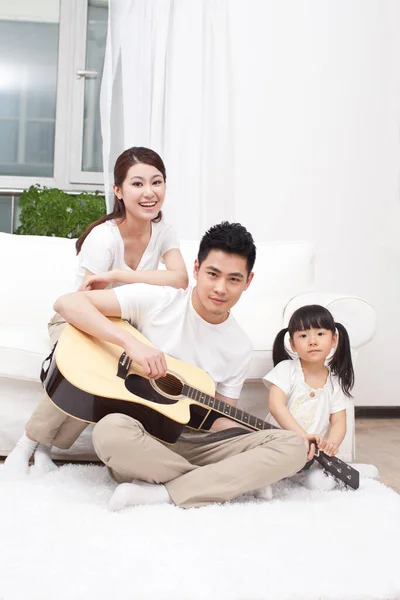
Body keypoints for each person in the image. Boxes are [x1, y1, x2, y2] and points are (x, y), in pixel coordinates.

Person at [50, 222, 306, 510]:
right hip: (142, 440)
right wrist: (130, 343)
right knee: (109, 431)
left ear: (248, 281)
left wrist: (251, 439)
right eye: (212, 274)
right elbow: (68, 303)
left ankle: (163, 492)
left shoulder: (239, 346)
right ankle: (220, 483)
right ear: (196, 269)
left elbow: (218, 420)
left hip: (194, 445)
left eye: (234, 279)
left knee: (293, 446)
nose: (220, 288)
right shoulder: (158, 300)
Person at [5, 146, 188, 475]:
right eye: (137, 184)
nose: (149, 193)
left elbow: (180, 278)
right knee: (86, 365)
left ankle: (46, 448)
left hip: (124, 322)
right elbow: (83, 305)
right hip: (78, 319)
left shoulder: (164, 231)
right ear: (118, 191)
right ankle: (27, 444)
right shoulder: (104, 239)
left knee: (109, 376)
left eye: (156, 182)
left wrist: (120, 276)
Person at [255, 304, 378, 497]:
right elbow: (276, 406)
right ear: (293, 344)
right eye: (303, 336)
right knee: (273, 462)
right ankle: (265, 476)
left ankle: (329, 472)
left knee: (320, 482)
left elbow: (338, 422)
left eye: (320, 334)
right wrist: (302, 435)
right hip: (278, 444)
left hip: (311, 455)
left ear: (334, 339)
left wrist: (331, 444)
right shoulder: (287, 370)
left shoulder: (334, 382)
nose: (312, 341)